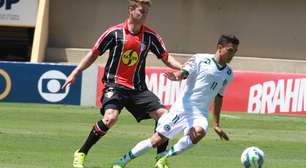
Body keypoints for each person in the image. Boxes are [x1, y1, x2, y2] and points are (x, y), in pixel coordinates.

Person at [62, 0, 183, 168]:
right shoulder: (114, 33)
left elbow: (166, 57)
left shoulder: (151, 36)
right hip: (115, 85)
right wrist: (75, 73)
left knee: (164, 116)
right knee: (110, 118)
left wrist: (183, 68)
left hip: (138, 89)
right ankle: (81, 152)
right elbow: (93, 54)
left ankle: (160, 159)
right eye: (141, 11)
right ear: (131, 10)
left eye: (147, 12)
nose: (144, 15)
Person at [111, 34, 240, 168]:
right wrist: (176, 76)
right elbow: (184, 72)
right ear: (220, 48)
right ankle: (122, 161)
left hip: (200, 112)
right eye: (230, 50)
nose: (232, 55)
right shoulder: (200, 59)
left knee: (199, 132)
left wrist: (217, 124)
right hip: (183, 108)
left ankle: (164, 156)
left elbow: (219, 97)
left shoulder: (229, 74)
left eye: (235, 52)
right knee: (157, 140)